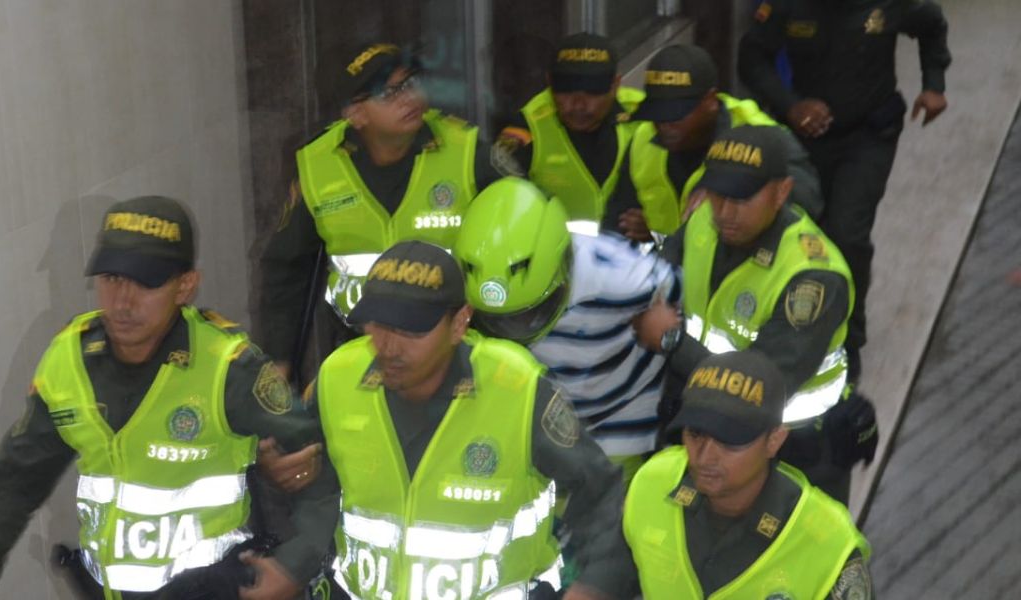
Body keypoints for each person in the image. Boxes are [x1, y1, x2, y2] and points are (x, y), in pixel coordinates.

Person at [0, 196, 339, 600]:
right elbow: (13, 483)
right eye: (111, 279)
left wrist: (294, 565)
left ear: (185, 286)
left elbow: (319, 464)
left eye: (146, 282)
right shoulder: (70, 362)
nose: (123, 302)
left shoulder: (226, 368)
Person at [312, 240, 627, 599]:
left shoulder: (517, 389)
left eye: (412, 331)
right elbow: (301, 487)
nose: (389, 347)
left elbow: (602, 493)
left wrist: (594, 586)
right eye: (378, 326)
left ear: (460, 322)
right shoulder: (337, 378)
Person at [633, 125, 877, 503]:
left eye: (743, 198)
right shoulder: (704, 223)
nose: (725, 212)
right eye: (717, 195)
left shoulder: (812, 277)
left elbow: (760, 390)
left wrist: (671, 341)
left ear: (781, 192)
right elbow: (655, 280)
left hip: (795, 452)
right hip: (710, 434)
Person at [256, 41, 499, 383]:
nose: (410, 98)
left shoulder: (467, 152)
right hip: (360, 353)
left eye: (411, 82)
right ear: (355, 114)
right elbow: (286, 270)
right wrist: (279, 359)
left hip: (455, 351)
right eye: (389, 93)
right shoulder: (317, 166)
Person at [738, 0, 952, 383]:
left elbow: (932, 24)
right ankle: (792, 325)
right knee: (801, 233)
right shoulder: (787, 6)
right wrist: (790, 106)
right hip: (804, 139)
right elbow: (751, 58)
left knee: (846, 232)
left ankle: (847, 341)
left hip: (869, 135)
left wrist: (933, 84)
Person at [453, 177, 678, 475]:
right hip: (521, 436)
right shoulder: (453, 285)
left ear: (565, 268)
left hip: (613, 439)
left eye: (529, 314)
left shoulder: (629, 278)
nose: (514, 333)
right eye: (496, 321)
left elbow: (681, 331)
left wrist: (670, 337)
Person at [621, 350, 873, 599]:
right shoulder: (652, 483)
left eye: (729, 440)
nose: (705, 456)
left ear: (774, 440)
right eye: (695, 434)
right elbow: (614, 572)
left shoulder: (828, 544)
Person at [603, 44, 823, 241]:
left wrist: (727, 187)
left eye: (677, 114)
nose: (665, 124)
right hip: (675, 271)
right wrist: (653, 237)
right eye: (658, 113)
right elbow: (616, 220)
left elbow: (809, 203)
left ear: (710, 101)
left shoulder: (763, 136)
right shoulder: (644, 138)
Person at [491, 32, 645, 230]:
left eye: (593, 90)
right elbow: (501, 209)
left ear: (615, 85)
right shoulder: (527, 129)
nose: (579, 105)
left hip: (633, 255)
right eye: (566, 89)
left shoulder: (645, 118)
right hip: (556, 256)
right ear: (549, 82)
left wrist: (655, 225)